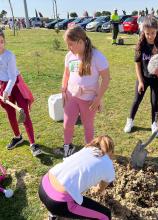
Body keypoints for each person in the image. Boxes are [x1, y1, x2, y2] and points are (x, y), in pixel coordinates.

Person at [39, 135, 115, 220]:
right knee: (105, 215)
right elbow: (100, 188)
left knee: (69, 188)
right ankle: (56, 211)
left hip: (44, 184)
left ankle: (53, 215)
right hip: (58, 202)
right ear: (111, 151)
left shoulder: (86, 149)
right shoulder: (108, 164)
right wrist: (97, 190)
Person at [61, 26, 110, 157]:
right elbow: (66, 74)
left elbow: (106, 78)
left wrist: (98, 98)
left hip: (89, 100)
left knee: (88, 126)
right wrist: (63, 89)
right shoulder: (70, 56)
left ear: (80, 42)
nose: (68, 48)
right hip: (71, 96)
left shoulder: (97, 56)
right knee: (67, 123)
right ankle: (67, 146)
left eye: (70, 44)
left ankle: (89, 151)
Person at [124, 16, 158, 136]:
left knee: (155, 102)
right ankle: (130, 121)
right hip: (143, 78)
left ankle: (154, 124)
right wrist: (140, 81)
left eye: (153, 33)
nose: (150, 36)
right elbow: (137, 64)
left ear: (157, 31)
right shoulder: (141, 44)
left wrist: (157, 55)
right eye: (148, 33)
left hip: (157, 79)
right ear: (143, 32)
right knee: (136, 100)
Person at [0, 31, 41, 156]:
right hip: (3, 85)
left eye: (1, 41)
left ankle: (33, 144)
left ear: (4, 41)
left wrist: (7, 91)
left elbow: (12, 77)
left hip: (15, 84)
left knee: (24, 113)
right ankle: (18, 137)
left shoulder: (9, 55)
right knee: (10, 113)